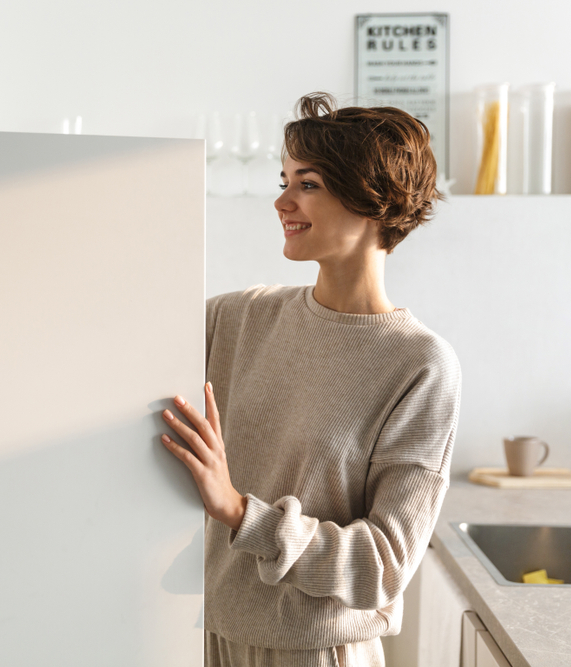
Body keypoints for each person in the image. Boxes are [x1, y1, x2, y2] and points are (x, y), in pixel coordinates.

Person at [160, 92, 461, 667]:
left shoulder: (419, 364)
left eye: (309, 184)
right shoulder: (235, 318)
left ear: (374, 199)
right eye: (284, 179)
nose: (282, 200)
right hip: (203, 638)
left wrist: (238, 511)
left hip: (318, 653)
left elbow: (384, 566)